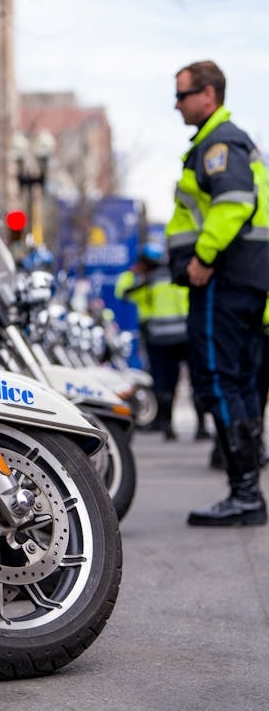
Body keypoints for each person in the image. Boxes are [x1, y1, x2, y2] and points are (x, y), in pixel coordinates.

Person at [166, 59, 269, 527]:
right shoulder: (230, 141)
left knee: (219, 379)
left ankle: (245, 494)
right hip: (245, 279)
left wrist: (203, 259)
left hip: (222, 280)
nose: (177, 104)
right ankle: (246, 492)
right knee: (241, 381)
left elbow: (233, 205)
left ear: (208, 95)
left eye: (183, 95)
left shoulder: (219, 143)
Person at [114, 243, 209, 441]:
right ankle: (201, 427)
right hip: (188, 336)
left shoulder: (146, 281)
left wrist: (137, 275)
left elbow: (122, 292)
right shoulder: (179, 274)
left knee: (165, 385)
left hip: (160, 339)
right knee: (198, 382)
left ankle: (167, 426)